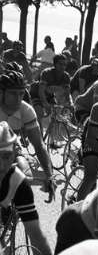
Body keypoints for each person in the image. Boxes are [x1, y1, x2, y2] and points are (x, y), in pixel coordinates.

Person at [0, 122, 52, 255]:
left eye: (6, 157)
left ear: (14, 155)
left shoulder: (17, 181)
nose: (1, 165)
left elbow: (36, 236)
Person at [0, 71, 55, 201]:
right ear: (1, 93)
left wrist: (49, 176)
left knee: (26, 177)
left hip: (11, 151)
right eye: (13, 93)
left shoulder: (26, 110)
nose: (18, 99)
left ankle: (15, 209)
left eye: (21, 93)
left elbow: (39, 146)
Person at [33, 54, 72, 126]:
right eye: (60, 64)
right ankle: (38, 131)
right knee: (39, 113)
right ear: (54, 64)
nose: (63, 67)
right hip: (36, 94)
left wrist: (69, 105)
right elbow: (41, 91)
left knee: (55, 115)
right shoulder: (46, 73)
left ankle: (51, 131)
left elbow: (67, 94)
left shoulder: (66, 76)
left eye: (64, 64)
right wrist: (45, 104)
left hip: (50, 96)